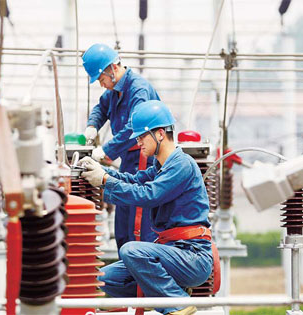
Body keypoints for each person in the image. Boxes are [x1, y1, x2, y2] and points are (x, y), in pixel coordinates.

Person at [78, 100, 215, 315]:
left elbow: (149, 195)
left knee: (131, 250)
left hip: (192, 257)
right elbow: (134, 181)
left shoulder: (181, 164)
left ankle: (177, 303)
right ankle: (160, 294)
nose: (138, 142)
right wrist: (101, 170)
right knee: (101, 279)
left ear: (159, 134)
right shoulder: (160, 167)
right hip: (172, 254)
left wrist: (104, 180)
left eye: (141, 136)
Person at [82, 43, 160, 249]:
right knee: (123, 214)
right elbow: (101, 108)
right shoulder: (114, 91)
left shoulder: (138, 90)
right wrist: (92, 126)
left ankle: (139, 265)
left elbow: (133, 128)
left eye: (101, 79)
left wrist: (105, 151)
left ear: (113, 69)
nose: (101, 84)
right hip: (129, 160)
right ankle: (125, 262)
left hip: (146, 161)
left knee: (139, 218)